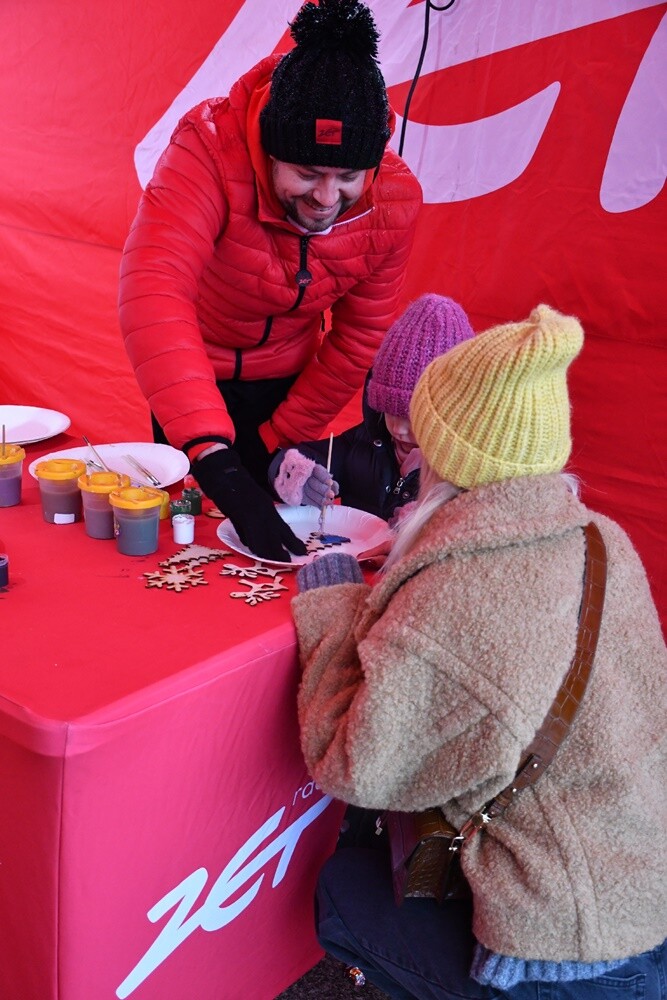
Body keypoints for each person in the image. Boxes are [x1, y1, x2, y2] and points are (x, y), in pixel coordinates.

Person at [290, 304, 667, 998]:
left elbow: (354, 766)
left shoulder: (462, 586)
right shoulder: (600, 537)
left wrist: (331, 617)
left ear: (441, 447)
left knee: (344, 890)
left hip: (560, 943)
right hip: (642, 885)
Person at [118, 0, 422, 561]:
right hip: (191, 375)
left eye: (348, 177)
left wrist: (278, 438)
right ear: (268, 147)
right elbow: (154, 289)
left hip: (290, 385)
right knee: (196, 541)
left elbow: (358, 339)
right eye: (306, 174)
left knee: (279, 545)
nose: (327, 198)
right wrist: (216, 459)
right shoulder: (207, 150)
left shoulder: (396, 202)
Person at [269, 294, 475, 529]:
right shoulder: (365, 441)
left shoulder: (464, 471)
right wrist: (296, 474)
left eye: (414, 417)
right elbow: (309, 455)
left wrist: (423, 530)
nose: (398, 429)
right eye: (389, 410)